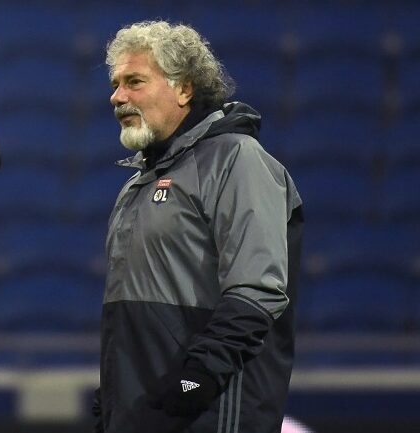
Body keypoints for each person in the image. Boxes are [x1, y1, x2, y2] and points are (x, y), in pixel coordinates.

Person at [93, 21, 303, 433]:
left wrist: (196, 381)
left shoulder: (238, 160)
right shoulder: (138, 185)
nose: (117, 97)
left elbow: (258, 291)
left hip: (210, 415)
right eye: (116, 84)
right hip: (146, 415)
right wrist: (114, 398)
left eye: (134, 82)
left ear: (184, 89)